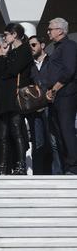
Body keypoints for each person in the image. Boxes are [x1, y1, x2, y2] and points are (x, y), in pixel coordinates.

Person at [0, 23, 33, 175]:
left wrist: (6, 60)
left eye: (6, 35)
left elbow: (12, 71)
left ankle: (21, 165)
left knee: (16, 130)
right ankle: (2, 166)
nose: (5, 38)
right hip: (5, 97)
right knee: (2, 133)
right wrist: (3, 55)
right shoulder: (9, 52)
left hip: (15, 97)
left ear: (14, 34)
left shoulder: (24, 50)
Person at [45, 17, 77, 175]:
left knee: (66, 129)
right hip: (56, 95)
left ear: (60, 30)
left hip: (66, 94)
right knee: (58, 132)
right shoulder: (57, 48)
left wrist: (55, 88)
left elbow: (69, 70)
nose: (48, 32)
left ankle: (73, 167)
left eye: (50, 29)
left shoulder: (69, 46)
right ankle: (66, 166)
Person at [29, 35, 62, 174]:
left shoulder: (52, 60)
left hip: (51, 105)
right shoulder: (30, 65)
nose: (31, 48)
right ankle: (39, 174)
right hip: (35, 107)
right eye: (29, 45)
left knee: (53, 141)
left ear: (42, 45)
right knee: (38, 142)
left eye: (33, 45)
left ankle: (58, 172)